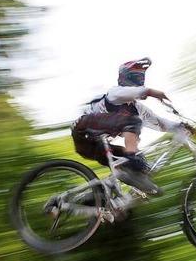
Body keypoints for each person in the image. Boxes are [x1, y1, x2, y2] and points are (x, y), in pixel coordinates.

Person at [71, 57, 182, 194]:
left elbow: (159, 122)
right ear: (124, 78)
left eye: (141, 78)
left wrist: (180, 126)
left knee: (135, 163)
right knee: (133, 124)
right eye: (136, 77)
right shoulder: (115, 93)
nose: (139, 81)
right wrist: (151, 92)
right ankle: (131, 157)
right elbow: (136, 92)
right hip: (83, 130)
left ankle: (97, 198)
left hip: (96, 145)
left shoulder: (137, 108)